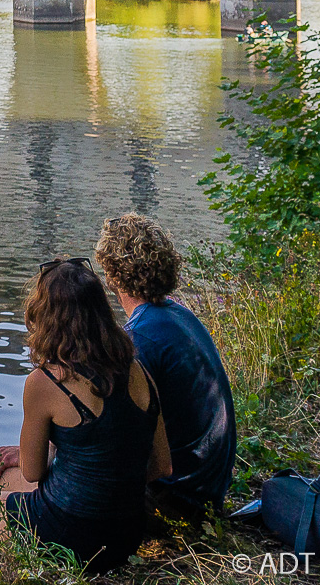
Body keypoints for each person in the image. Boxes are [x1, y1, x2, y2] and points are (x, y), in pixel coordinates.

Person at [0, 258, 169, 576]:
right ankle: (23, 571)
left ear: (46, 317)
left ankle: (28, 566)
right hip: (126, 535)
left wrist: (81, 487)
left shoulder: (46, 382)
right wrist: (102, 484)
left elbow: (33, 472)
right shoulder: (139, 370)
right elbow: (162, 466)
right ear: (101, 313)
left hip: (72, 534)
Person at [93, 213, 236, 517]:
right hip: (209, 486)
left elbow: (117, 440)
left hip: (180, 497)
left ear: (112, 277)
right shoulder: (181, 316)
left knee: (6, 476)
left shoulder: (138, 340)